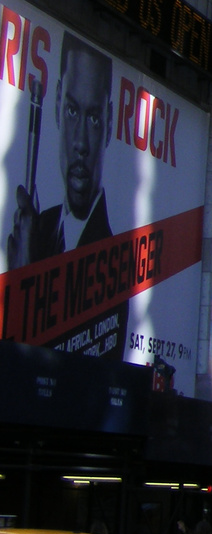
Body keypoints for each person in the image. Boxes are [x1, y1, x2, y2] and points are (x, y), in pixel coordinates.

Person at [5, 35, 129, 358]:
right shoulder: (37, 229)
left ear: (110, 122)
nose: (81, 144)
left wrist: (23, 283)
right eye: (73, 111)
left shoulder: (112, 269)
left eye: (93, 117)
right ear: (58, 103)